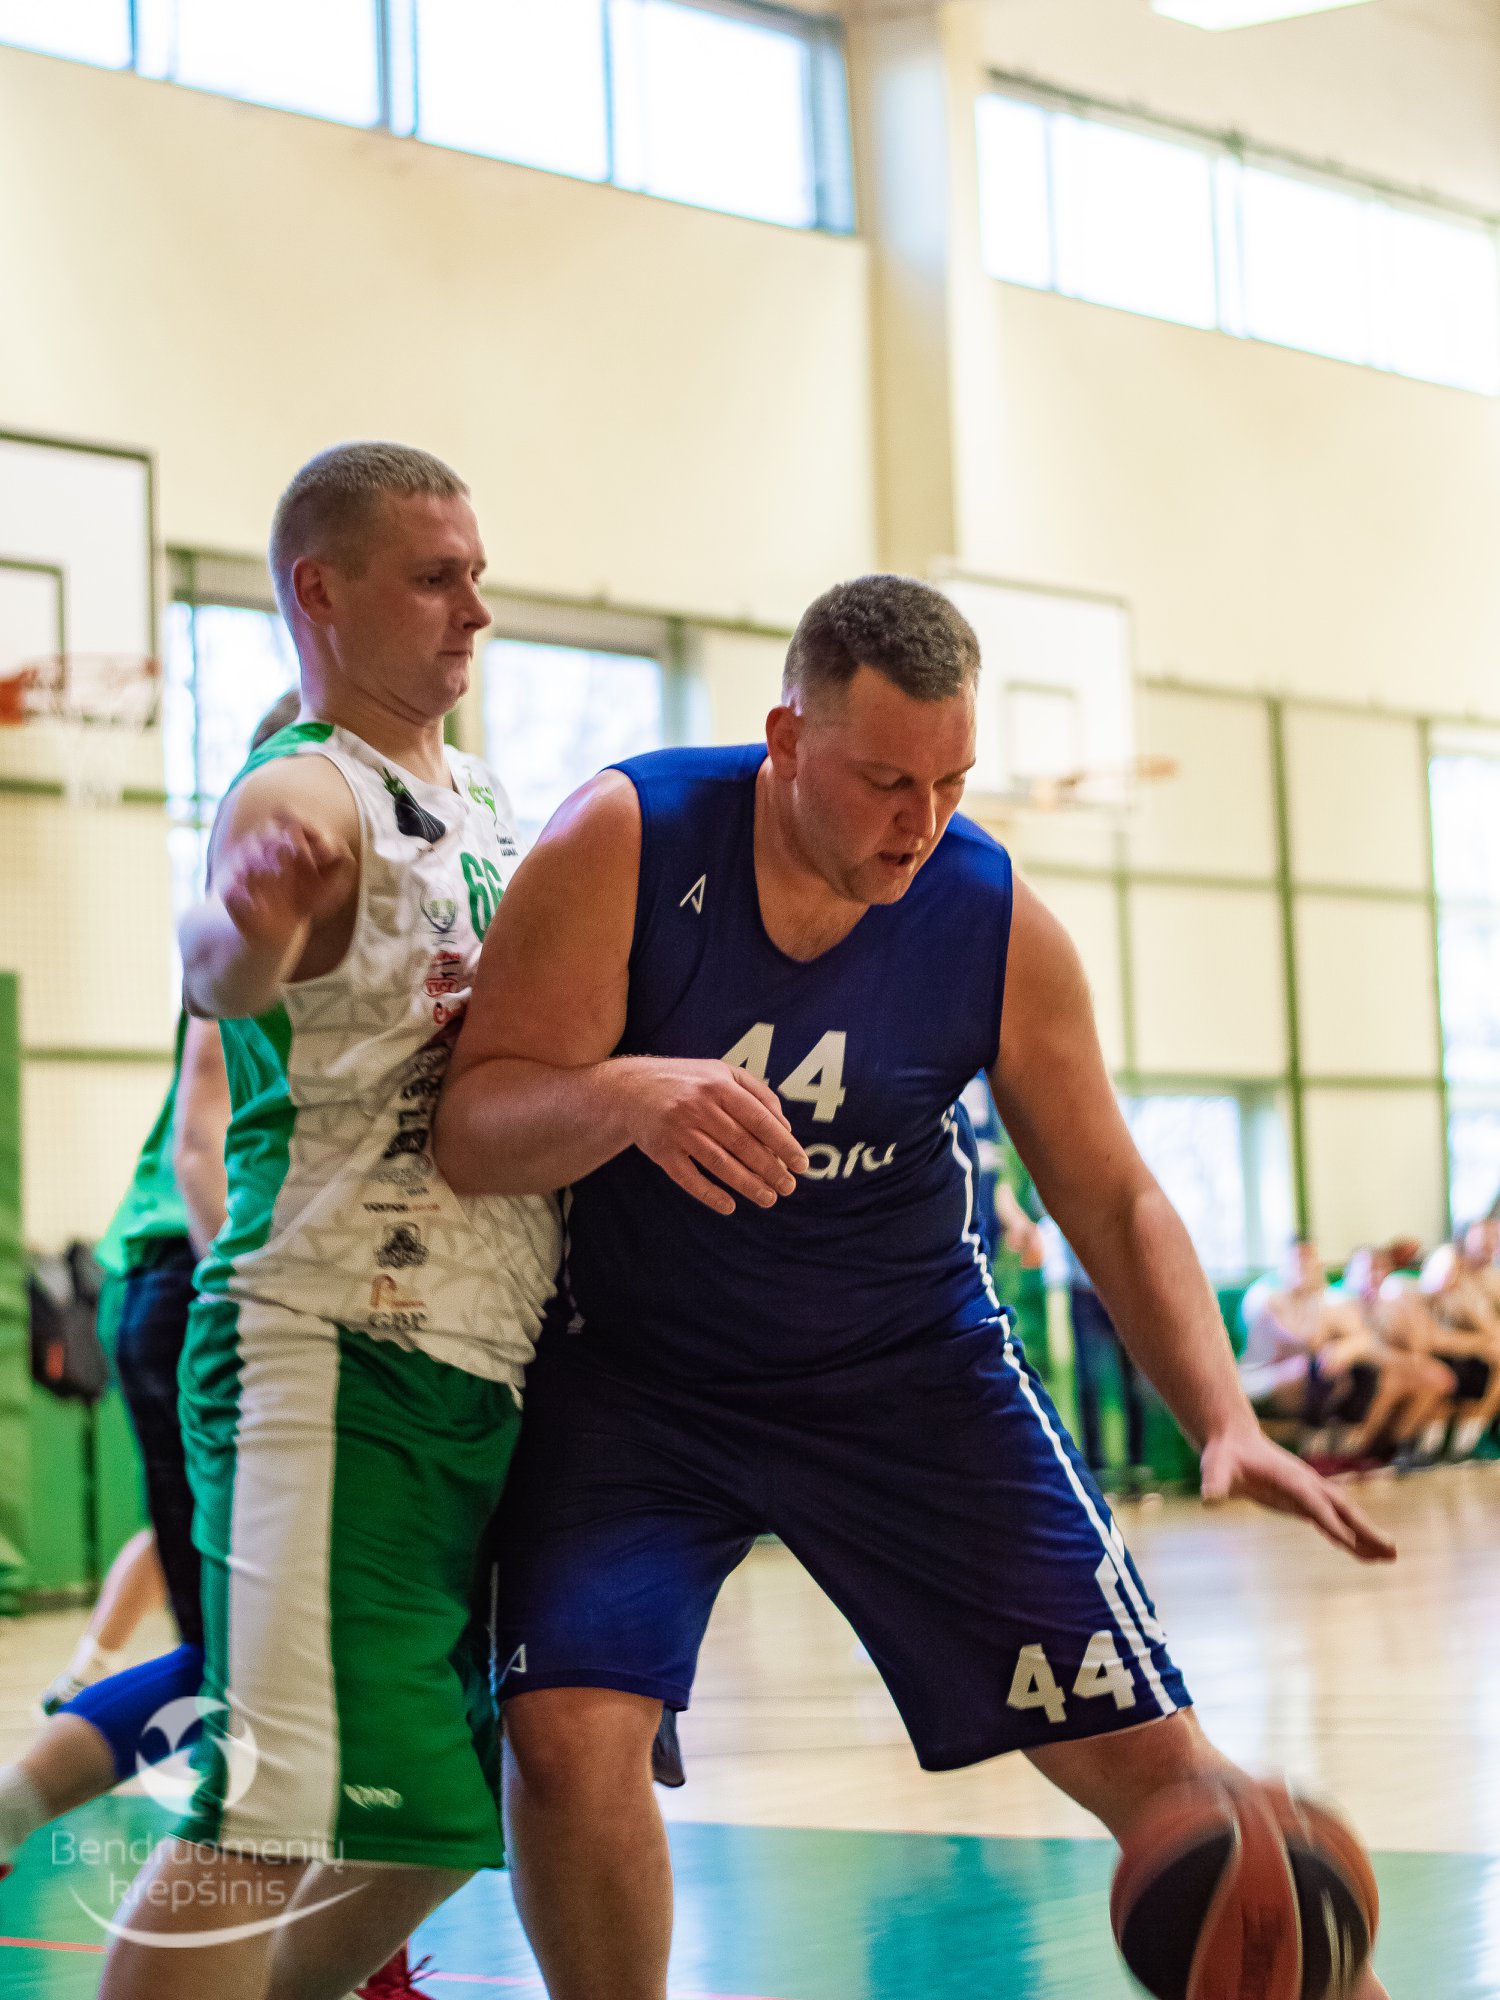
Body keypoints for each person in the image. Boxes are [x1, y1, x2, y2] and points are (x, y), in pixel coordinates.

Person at [434, 573, 1395, 2000]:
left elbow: (1115, 1195)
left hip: (910, 1378)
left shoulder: (990, 918)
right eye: (888, 781)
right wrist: (626, 1094)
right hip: (641, 1386)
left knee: (1183, 1795)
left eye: (950, 782)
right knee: (565, 1740)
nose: (923, 820)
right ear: (786, 738)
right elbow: (473, 1127)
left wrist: (1224, 1415)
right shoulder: (628, 841)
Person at [96, 441, 560, 2000]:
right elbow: (219, 959)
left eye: (476, 574)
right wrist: (246, 917)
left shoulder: (481, 798)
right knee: (273, 1809)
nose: (474, 609)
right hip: (328, 1358)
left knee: (442, 1813)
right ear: (323, 591)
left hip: (475, 1370)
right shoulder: (299, 789)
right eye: (436, 578)